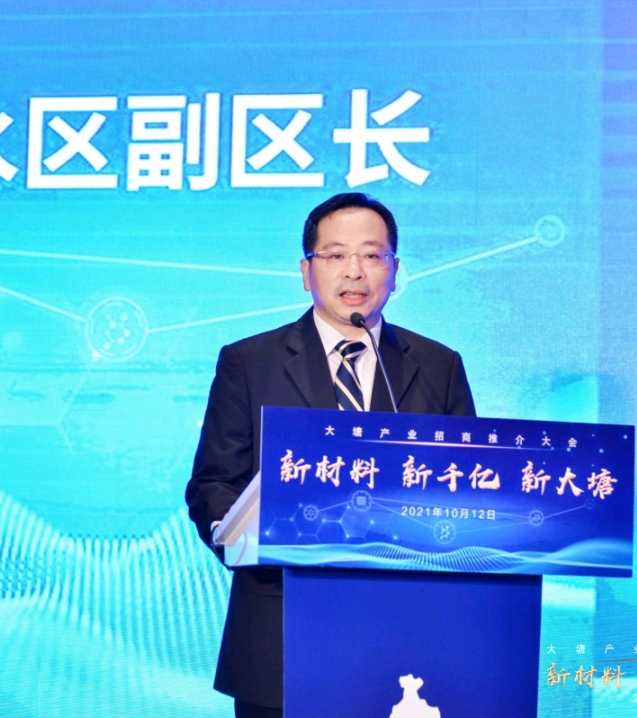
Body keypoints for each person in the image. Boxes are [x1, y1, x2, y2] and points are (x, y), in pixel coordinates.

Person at [185, 192, 476, 717]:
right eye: (336, 254)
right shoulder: (249, 362)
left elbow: (468, 489)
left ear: (395, 270)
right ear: (307, 271)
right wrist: (239, 538)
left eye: (372, 255)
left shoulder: (439, 366)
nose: (354, 271)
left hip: (407, 640)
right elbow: (213, 483)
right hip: (280, 632)